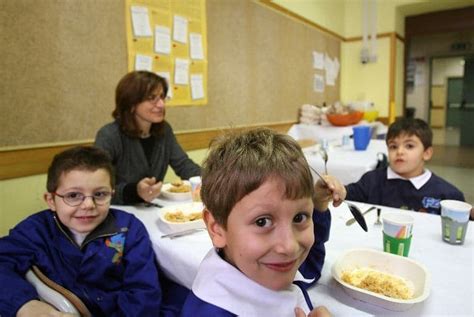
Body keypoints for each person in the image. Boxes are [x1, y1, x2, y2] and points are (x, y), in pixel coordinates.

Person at [180, 128, 346, 316]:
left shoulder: (270, 266)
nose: (289, 247)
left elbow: (310, 268)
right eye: (262, 222)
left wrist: (319, 206)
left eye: (299, 217)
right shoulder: (213, 310)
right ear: (217, 228)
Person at [0, 146, 161, 317]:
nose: (88, 205)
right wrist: (25, 305)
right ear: (51, 200)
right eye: (73, 196)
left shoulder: (129, 228)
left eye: (100, 194)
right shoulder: (36, 230)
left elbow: (143, 291)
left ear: (111, 195)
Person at [95, 70, 201, 205]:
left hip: (152, 208)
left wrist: (215, 180)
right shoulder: (109, 135)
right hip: (119, 211)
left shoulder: (164, 130)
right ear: (131, 104)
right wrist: (135, 192)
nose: (161, 104)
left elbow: (184, 165)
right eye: (152, 98)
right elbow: (96, 188)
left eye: (162, 97)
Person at [346, 118, 469, 217]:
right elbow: (345, 194)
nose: (399, 151)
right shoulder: (371, 181)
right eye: (393, 146)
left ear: (427, 153)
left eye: (409, 146)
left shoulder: (447, 194)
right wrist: (335, 189)